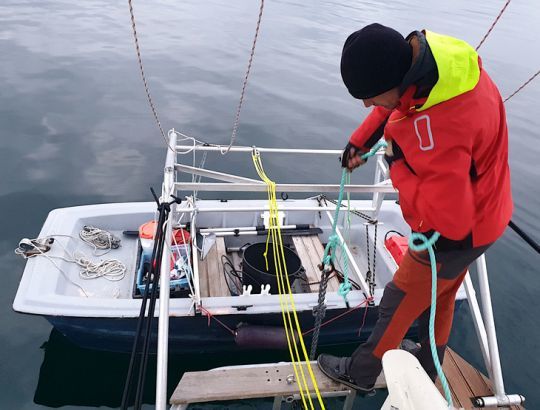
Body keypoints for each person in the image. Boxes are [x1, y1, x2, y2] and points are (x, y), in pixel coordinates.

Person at [317, 23, 513, 393]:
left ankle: (360, 373)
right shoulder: (431, 62)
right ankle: (428, 361)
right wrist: (361, 140)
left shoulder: (439, 126)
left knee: (399, 297)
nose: (366, 105)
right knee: (442, 292)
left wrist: (396, 163)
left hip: (460, 231)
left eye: (370, 97)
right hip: (489, 211)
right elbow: (398, 101)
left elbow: (447, 220)